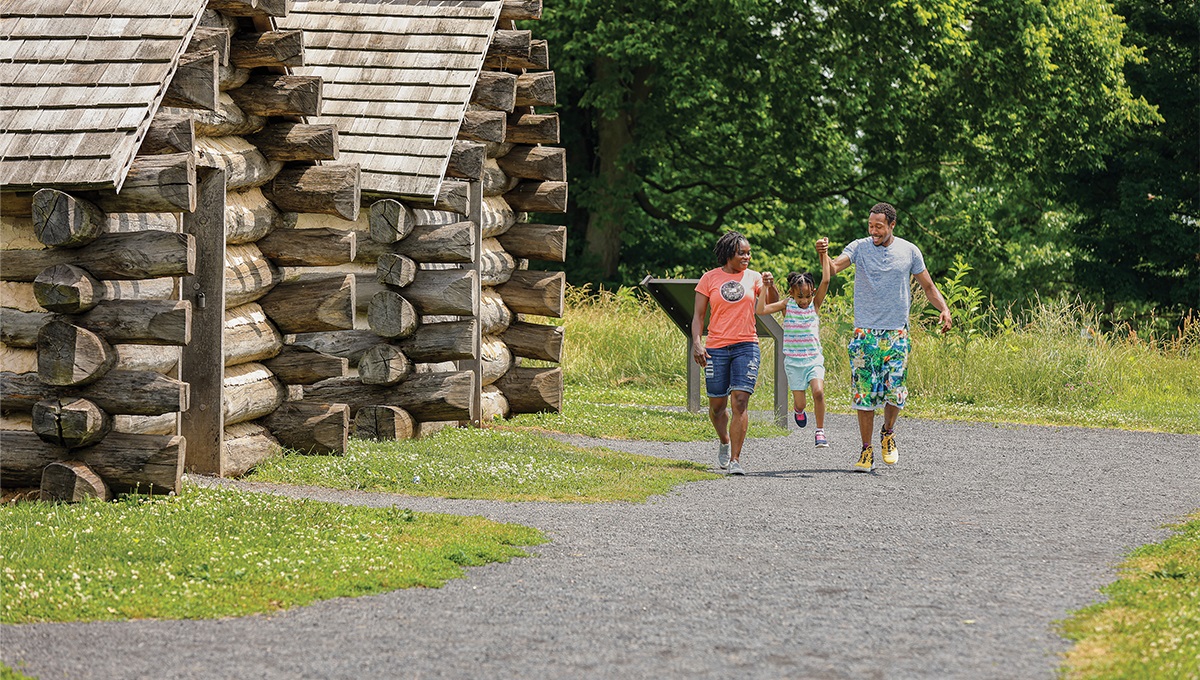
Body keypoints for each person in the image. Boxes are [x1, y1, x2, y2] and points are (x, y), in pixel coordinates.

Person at [825, 202, 952, 472]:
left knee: (895, 392)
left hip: (896, 332)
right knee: (865, 394)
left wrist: (943, 308)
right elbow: (834, 268)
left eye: (879, 227)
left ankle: (888, 432)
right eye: (871, 226)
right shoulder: (859, 247)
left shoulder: (909, 251)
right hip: (865, 332)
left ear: (892, 225)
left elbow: (928, 286)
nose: (874, 231)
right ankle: (866, 450)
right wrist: (824, 255)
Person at [692, 231, 774, 476]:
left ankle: (736, 460)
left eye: (749, 253)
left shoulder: (754, 277)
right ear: (729, 254)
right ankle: (725, 442)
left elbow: (770, 305)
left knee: (740, 401)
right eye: (742, 253)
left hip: (746, 345)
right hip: (716, 347)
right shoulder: (709, 278)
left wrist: (770, 285)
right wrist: (697, 343)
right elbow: (697, 316)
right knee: (717, 406)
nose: (747, 257)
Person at [757, 238, 833, 448]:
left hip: (813, 359)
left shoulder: (814, 305)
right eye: (800, 297)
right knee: (800, 402)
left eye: (808, 296)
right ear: (791, 293)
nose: (804, 301)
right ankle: (799, 410)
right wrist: (765, 287)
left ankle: (820, 431)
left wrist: (825, 254)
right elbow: (761, 310)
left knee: (818, 392)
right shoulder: (786, 305)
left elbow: (826, 280)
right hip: (793, 362)